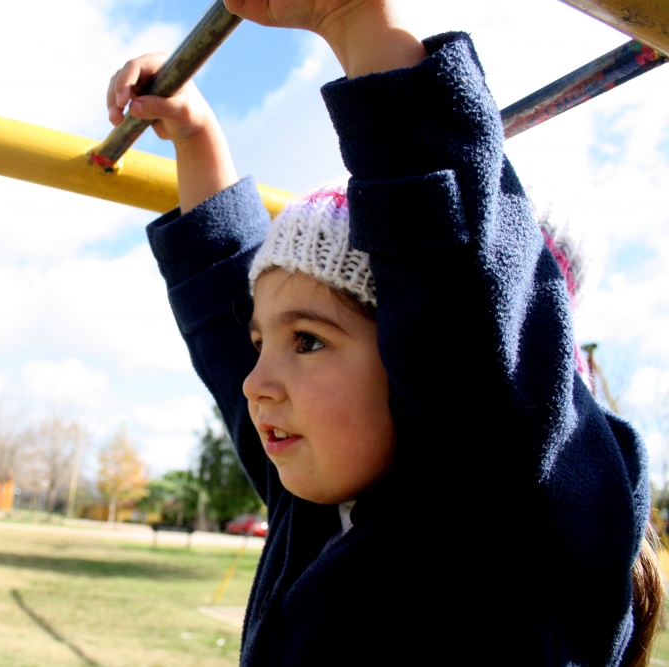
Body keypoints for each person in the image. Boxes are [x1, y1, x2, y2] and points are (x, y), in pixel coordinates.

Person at [106, 1, 662, 665]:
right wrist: (196, 137)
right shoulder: (314, 495)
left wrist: (354, 18)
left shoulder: (505, 525)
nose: (255, 381)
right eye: (264, 343)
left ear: (420, 362)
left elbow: (461, 302)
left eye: (307, 340)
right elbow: (226, 304)